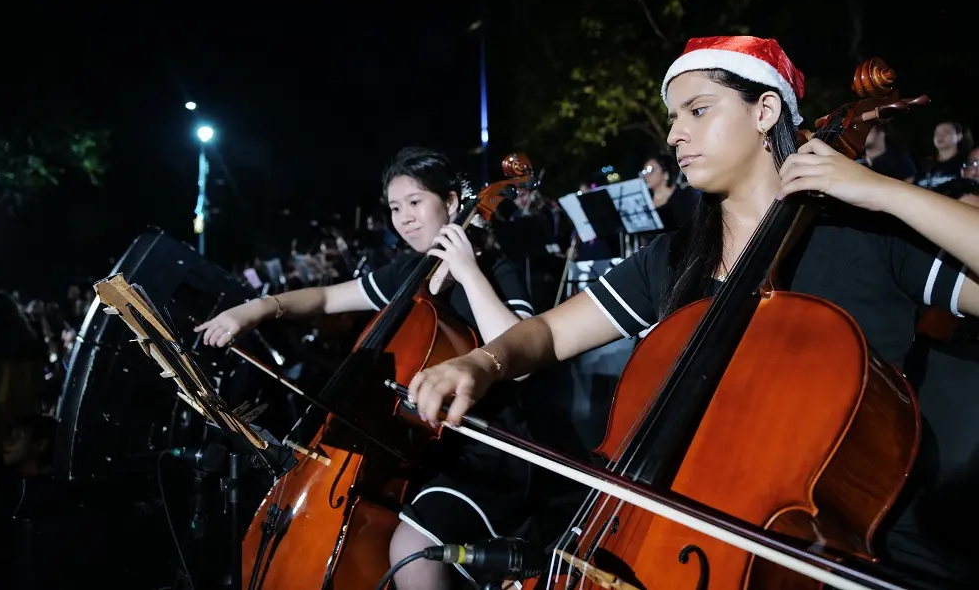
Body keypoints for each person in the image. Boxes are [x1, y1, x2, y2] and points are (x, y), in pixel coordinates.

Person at [408, 36, 979, 589]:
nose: (675, 134)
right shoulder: (676, 258)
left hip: (843, 550)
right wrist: (482, 363)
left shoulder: (862, 235)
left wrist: (887, 194)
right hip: (673, 534)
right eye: (674, 117)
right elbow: (549, 335)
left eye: (697, 110)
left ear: (765, 111)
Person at [195, 146, 537, 590]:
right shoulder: (408, 272)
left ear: (452, 203)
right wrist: (257, 309)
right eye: (396, 208)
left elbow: (521, 359)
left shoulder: (494, 267)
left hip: (487, 452)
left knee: (410, 553)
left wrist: (468, 272)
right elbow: (327, 298)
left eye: (416, 202)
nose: (405, 218)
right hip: (419, 451)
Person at [641, 153, 699, 231]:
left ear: (665, 173)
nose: (646, 176)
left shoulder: (683, 197)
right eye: (644, 172)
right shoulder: (643, 201)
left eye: (650, 170)